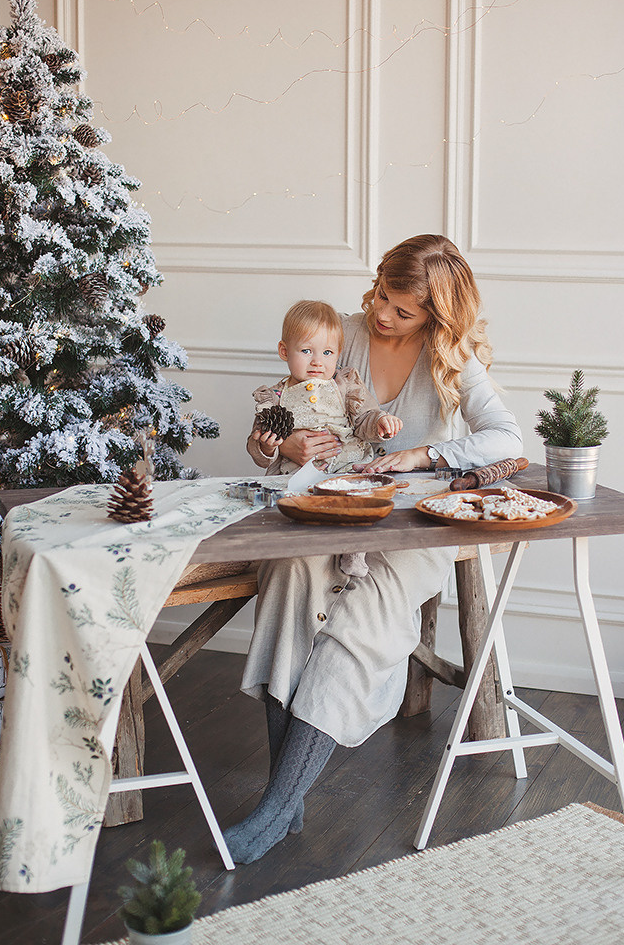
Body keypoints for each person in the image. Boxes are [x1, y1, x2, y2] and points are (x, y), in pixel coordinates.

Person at [224, 234, 523, 864]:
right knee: (287, 590)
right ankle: (287, 793)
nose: (384, 314)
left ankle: (276, 808)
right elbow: (265, 437)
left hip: (411, 527)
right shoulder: (343, 332)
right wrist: (283, 448)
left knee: (359, 625)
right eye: (383, 294)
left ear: (438, 316)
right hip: (325, 510)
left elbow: (505, 438)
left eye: (404, 309)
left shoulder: (451, 359)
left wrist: (426, 453)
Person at [247, 299, 402, 476]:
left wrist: (380, 422)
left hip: (346, 471)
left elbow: (364, 418)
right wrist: (267, 447)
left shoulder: (346, 385)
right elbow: (256, 446)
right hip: (294, 478)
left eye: (327, 352)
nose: (317, 362)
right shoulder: (274, 397)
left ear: (338, 353)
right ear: (284, 351)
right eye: (306, 351)